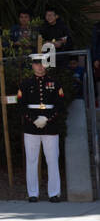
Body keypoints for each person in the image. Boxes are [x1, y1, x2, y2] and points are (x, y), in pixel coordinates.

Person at [18, 54, 67, 203]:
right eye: (36, 64)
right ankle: (32, 193)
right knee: (31, 160)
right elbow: (21, 105)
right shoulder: (25, 84)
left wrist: (47, 118)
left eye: (42, 64)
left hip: (50, 127)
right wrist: (34, 120)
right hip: (31, 128)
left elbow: (60, 104)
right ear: (32, 65)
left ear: (46, 65)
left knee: (52, 160)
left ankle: (54, 193)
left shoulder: (54, 83)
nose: (40, 66)